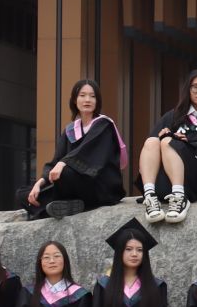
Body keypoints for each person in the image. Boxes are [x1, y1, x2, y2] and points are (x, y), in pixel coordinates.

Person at [23, 78, 126, 218]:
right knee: (24, 193)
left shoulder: (104, 125)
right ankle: (69, 206)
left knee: (64, 173)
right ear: (74, 100)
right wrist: (40, 182)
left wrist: (63, 163)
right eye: (82, 95)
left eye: (92, 96)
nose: (87, 100)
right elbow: (55, 161)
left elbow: (87, 154)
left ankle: (51, 208)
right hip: (75, 187)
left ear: (97, 101)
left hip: (100, 187)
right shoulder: (70, 130)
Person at [139, 68, 197, 223]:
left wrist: (186, 143)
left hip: (195, 182)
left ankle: (180, 198)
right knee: (153, 141)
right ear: (188, 89)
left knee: (168, 142)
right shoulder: (174, 115)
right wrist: (163, 136)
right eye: (195, 87)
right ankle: (150, 197)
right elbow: (150, 150)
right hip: (165, 182)